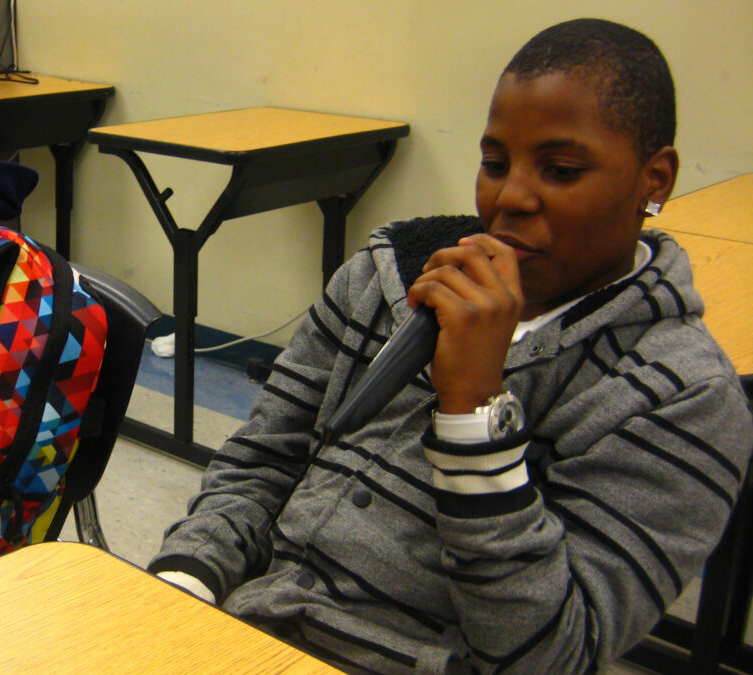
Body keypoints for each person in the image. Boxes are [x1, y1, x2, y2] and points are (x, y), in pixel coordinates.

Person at [149, 18, 752, 675]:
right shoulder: (392, 275)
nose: (509, 198)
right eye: (494, 163)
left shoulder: (685, 399)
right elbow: (266, 455)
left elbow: (548, 658)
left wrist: (475, 411)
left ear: (654, 179)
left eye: (562, 169)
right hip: (246, 627)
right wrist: (188, 583)